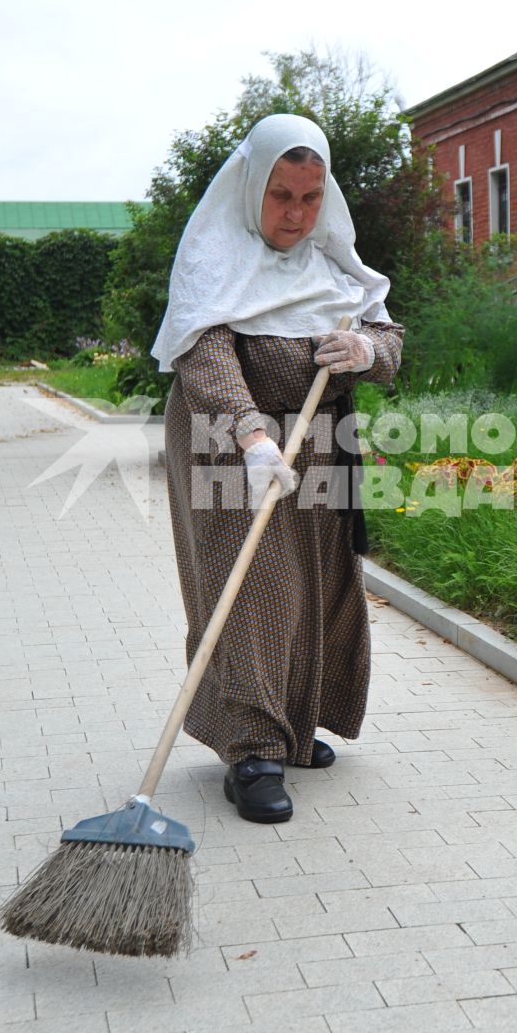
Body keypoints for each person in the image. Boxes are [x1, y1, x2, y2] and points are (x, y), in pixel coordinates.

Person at [150, 113, 403, 824]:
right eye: (281, 196)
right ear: (253, 186)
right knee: (255, 582)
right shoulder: (214, 257)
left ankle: (295, 724)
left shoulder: (332, 261)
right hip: (227, 440)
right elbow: (204, 353)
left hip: (321, 439)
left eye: (310, 198)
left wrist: (367, 354)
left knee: (320, 579)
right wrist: (252, 435)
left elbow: (387, 334)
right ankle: (252, 748)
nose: (295, 214)